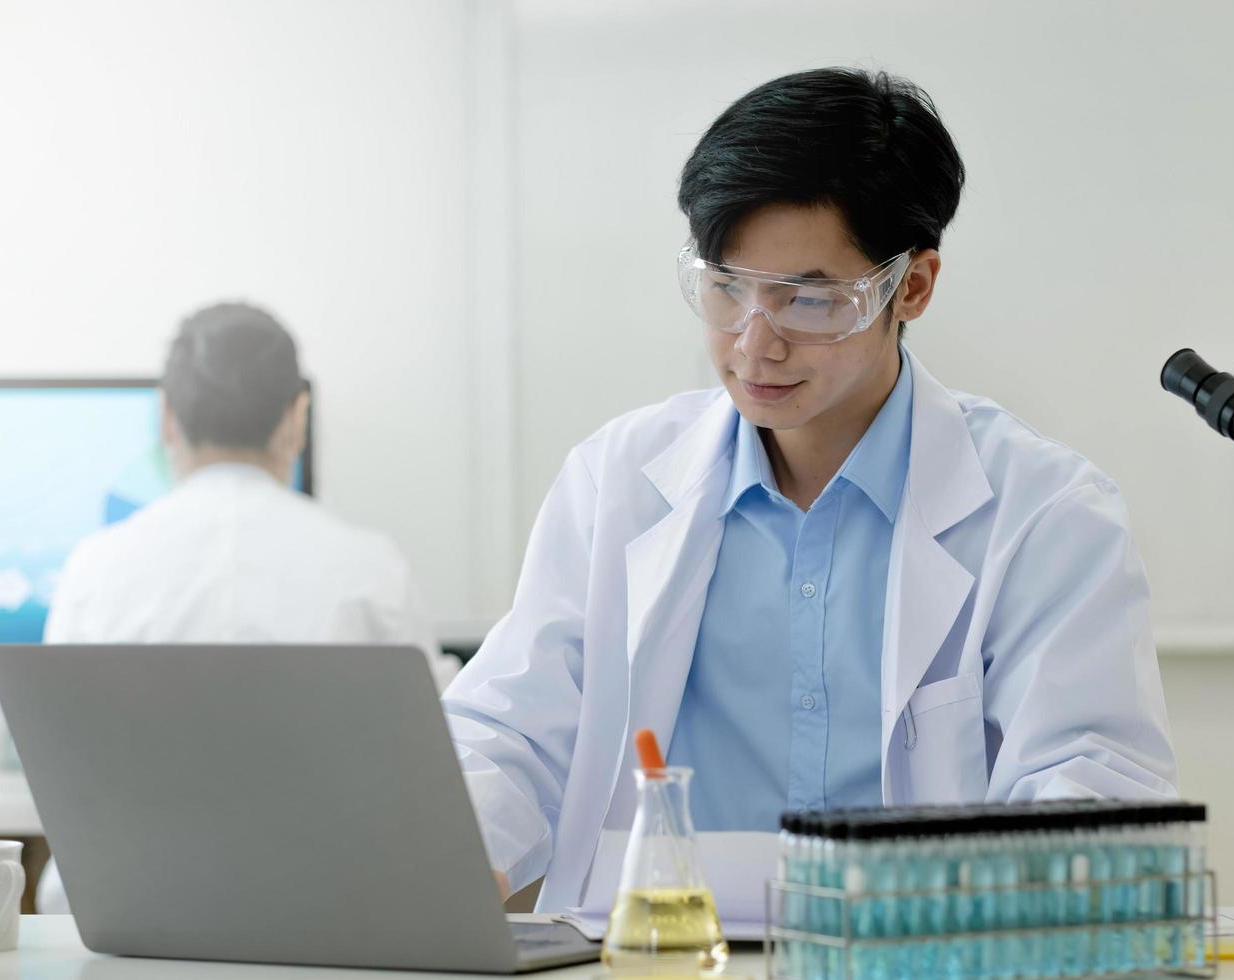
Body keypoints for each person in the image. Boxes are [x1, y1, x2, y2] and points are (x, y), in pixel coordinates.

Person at [442, 68, 1176, 910]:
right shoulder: (616, 481)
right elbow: (510, 732)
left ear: (913, 286)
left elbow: (1095, 789)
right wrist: (446, 851)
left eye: (809, 300)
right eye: (725, 287)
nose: (754, 345)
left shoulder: (1042, 510)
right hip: (667, 959)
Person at [39, 302, 454, 910]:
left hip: (127, 907)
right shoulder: (371, 566)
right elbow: (433, 757)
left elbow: (55, 757)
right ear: (297, 419)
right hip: (328, 906)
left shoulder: (96, 566)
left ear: (167, 418)